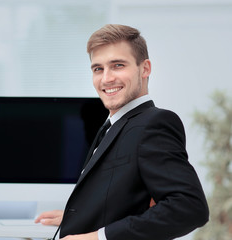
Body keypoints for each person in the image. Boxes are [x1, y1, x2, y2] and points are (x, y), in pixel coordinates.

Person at [35, 24, 209, 240]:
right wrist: (79, 216)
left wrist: (97, 238)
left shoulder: (154, 123)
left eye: (117, 65)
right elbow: (123, 197)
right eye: (98, 69)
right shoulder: (113, 124)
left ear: (144, 68)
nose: (106, 78)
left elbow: (188, 208)